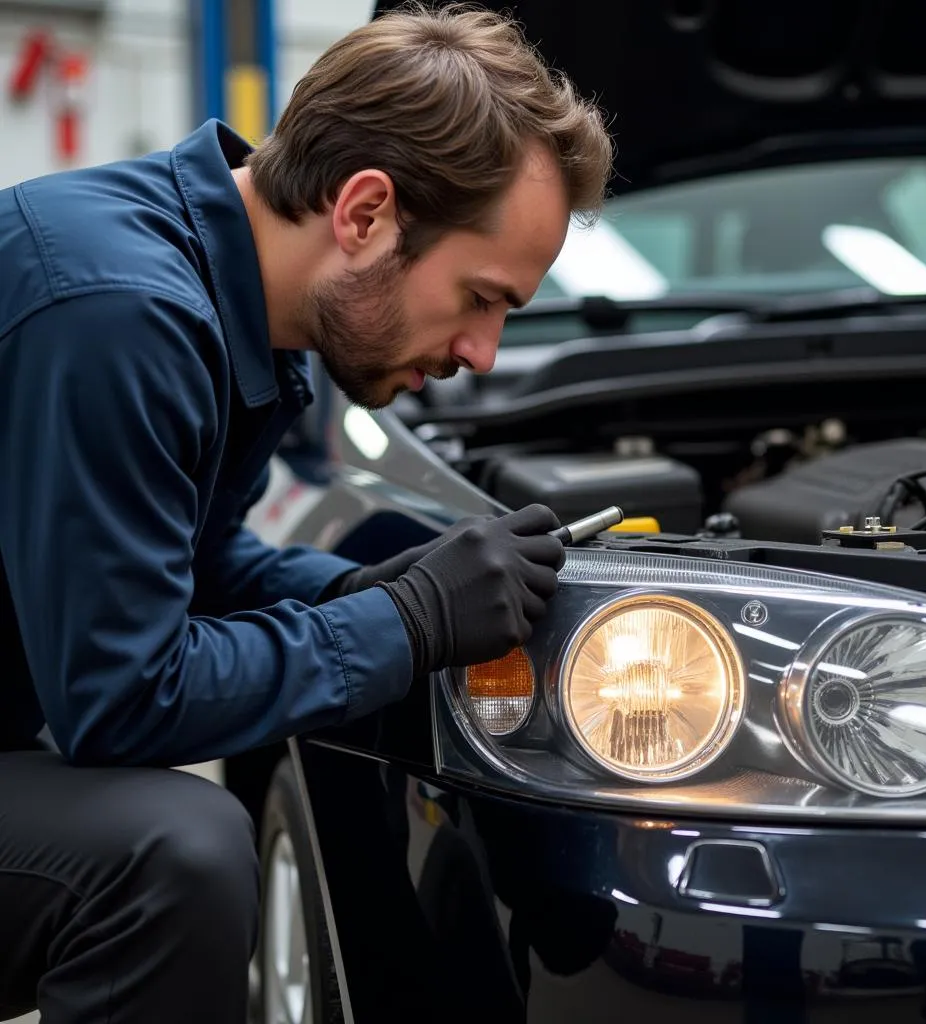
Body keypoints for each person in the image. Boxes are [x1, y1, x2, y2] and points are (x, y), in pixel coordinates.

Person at [0, 2, 613, 1020]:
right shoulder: (120, 314)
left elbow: (176, 560)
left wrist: (378, 590)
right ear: (365, 213)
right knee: (170, 855)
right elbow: (121, 699)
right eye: (479, 297)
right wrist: (403, 622)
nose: (481, 354)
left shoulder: (225, 298)